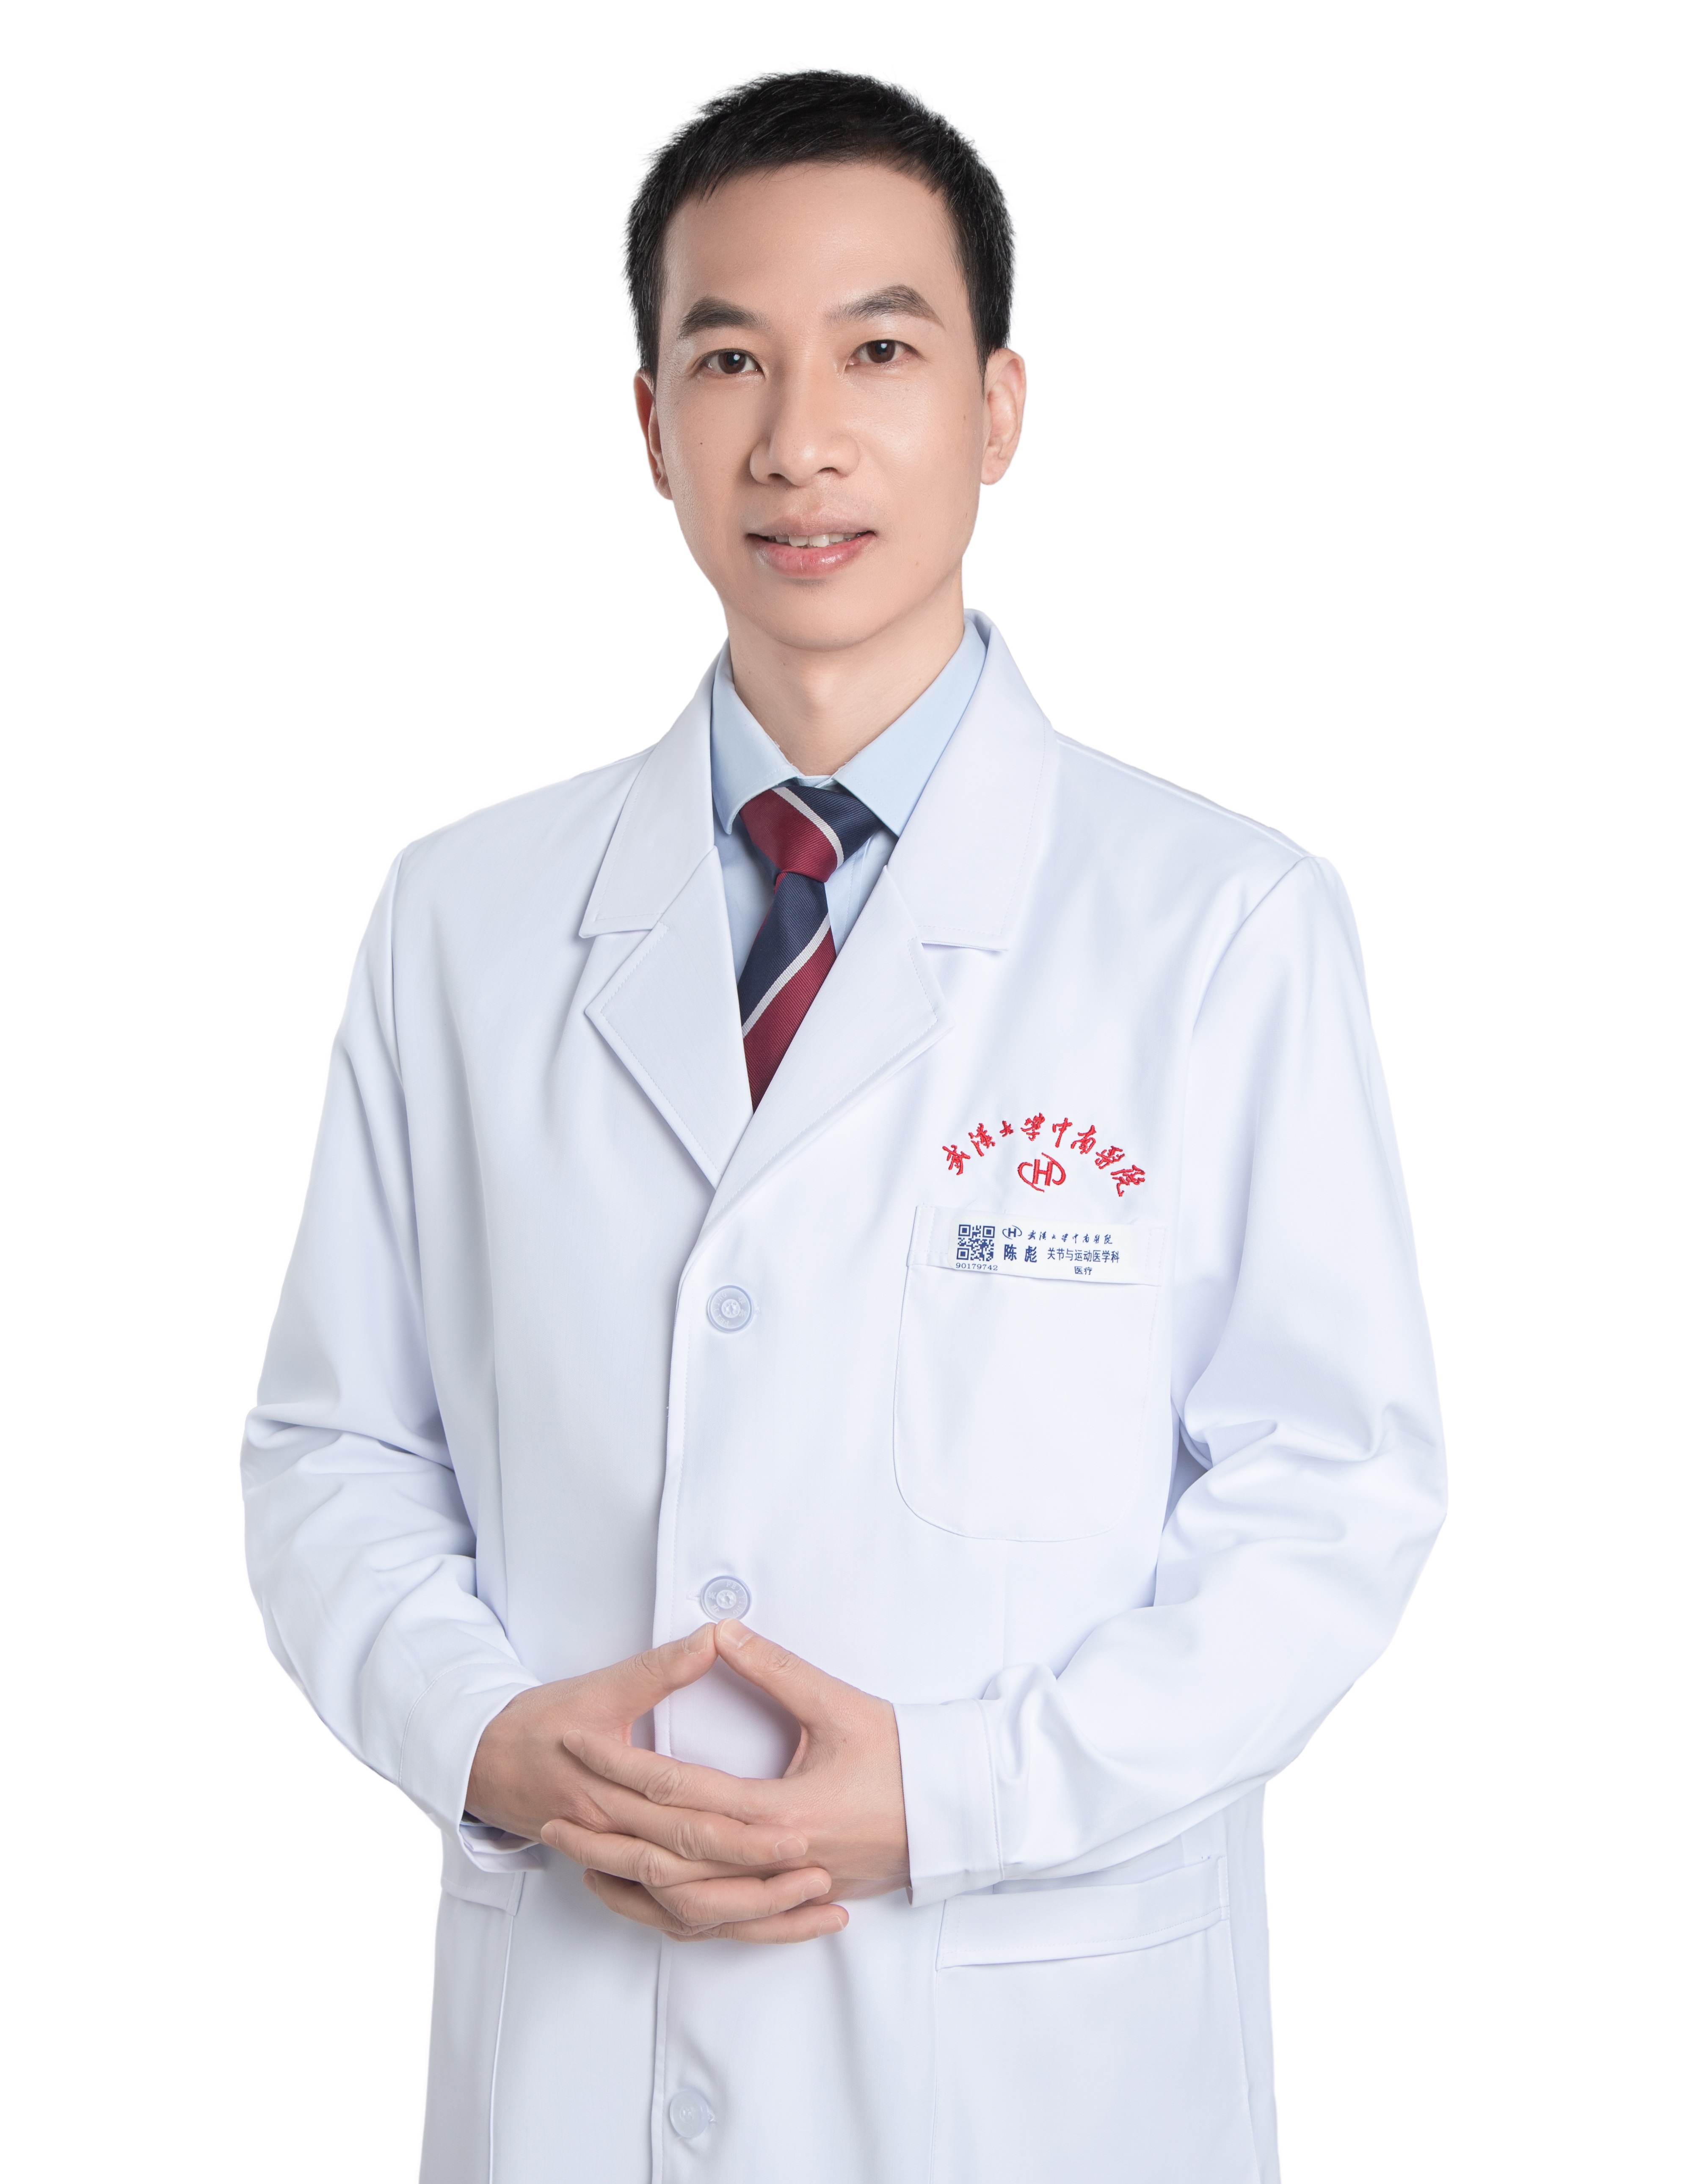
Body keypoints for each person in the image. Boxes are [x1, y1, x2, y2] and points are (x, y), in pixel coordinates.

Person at [244, 69, 1445, 2184]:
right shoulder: (464, 918)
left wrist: (956, 1795)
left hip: (1029, 2067)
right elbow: (337, 1448)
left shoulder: (1216, 924)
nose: (798, 438)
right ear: (650, 426)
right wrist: (488, 1737)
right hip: (578, 2053)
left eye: (878, 352)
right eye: (730, 361)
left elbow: (1327, 1496)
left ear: (996, 407)